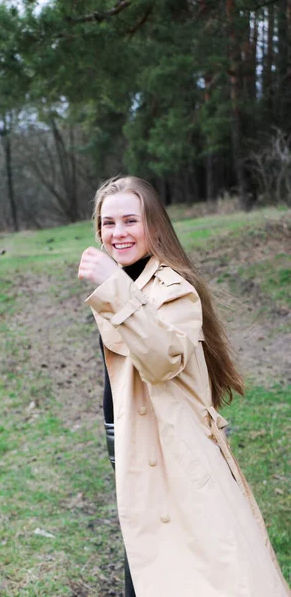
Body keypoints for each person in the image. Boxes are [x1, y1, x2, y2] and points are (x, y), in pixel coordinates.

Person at [77, 176, 290, 597]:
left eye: (129, 221)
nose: (117, 233)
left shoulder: (174, 288)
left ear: (153, 226)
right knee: (147, 560)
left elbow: (162, 362)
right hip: (135, 450)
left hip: (174, 453)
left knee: (198, 570)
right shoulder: (129, 282)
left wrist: (114, 289)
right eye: (108, 223)